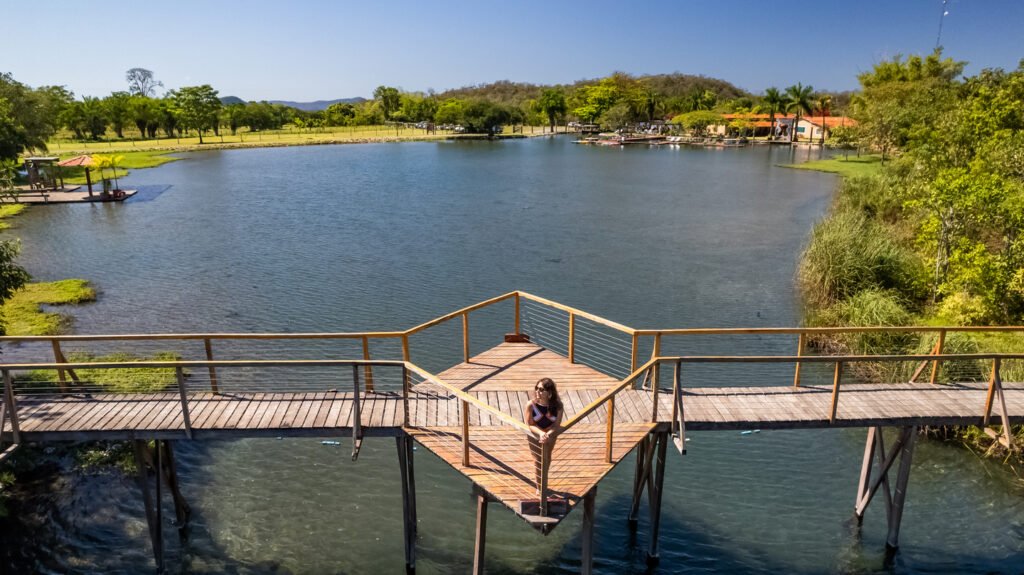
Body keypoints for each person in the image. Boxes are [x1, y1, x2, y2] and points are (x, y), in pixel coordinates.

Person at [524, 377, 563, 497]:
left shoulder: (558, 406)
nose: (537, 391)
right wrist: (541, 434)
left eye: (541, 389)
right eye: (536, 388)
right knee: (538, 460)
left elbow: (556, 425)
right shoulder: (531, 405)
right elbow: (530, 424)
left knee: (547, 458)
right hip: (535, 434)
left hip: (550, 435)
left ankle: (544, 481)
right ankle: (540, 487)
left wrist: (548, 434)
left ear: (549, 392)